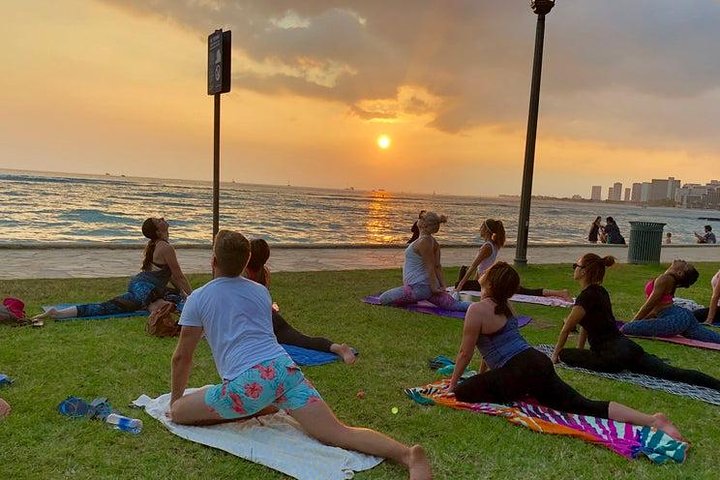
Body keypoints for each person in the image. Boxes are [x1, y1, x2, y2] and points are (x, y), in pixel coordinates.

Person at [169, 230, 432, 479]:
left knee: (180, 412)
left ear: (213, 260)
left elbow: (182, 356)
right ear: (246, 261)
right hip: (285, 370)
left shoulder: (199, 298)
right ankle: (407, 454)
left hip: (249, 384)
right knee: (338, 432)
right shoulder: (260, 291)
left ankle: (258, 405)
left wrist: (175, 400)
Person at [447, 262, 683, 441]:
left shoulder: (476, 310)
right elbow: (490, 352)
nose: (482, 272)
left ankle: (514, 391)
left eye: (486, 272)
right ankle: (652, 420)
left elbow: (464, 354)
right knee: (583, 404)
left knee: (462, 392)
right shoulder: (507, 305)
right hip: (537, 361)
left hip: (520, 369)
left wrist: (451, 386)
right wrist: (483, 376)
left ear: (490, 282)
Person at [551, 254, 720, 391]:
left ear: (584, 271)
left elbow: (566, 329)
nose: (574, 269)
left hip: (613, 355)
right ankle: (716, 384)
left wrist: (555, 355)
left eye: (576, 266)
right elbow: (585, 324)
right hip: (630, 348)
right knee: (673, 372)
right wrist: (581, 350)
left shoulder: (585, 296)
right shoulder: (601, 291)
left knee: (565, 354)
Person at [34, 217, 192, 320]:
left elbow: (170, 276)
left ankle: (58, 313)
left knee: (107, 307)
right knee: (174, 302)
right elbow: (178, 276)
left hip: (139, 285)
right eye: (159, 221)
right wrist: (193, 297)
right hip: (145, 289)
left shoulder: (155, 245)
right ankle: (152, 307)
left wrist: (184, 293)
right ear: (158, 231)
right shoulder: (165, 247)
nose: (162, 218)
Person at [244, 238, 356, 364]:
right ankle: (337, 347)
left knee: (301, 341)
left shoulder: (247, 277)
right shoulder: (263, 272)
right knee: (303, 340)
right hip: (272, 318)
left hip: (266, 322)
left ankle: (339, 349)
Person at [455, 219, 571, 302]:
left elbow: (474, 266)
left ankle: (561, 292)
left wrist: (462, 283)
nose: (479, 229)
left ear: (486, 230)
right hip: (488, 279)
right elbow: (481, 267)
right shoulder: (493, 244)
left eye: (481, 227)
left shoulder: (487, 247)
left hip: (490, 281)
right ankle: (560, 292)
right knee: (525, 291)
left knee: (526, 291)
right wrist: (475, 282)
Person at [380, 211, 470, 311]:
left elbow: (430, 266)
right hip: (425, 288)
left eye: (420, 218)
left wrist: (434, 288)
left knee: (384, 299)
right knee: (454, 305)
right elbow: (437, 266)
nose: (418, 219)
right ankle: (485, 308)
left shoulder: (424, 242)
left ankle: (412, 298)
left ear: (424, 224)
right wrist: (443, 286)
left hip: (419, 288)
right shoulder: (432, 241)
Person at [620, 260, 720, 343]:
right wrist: (643, 320)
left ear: (679, 273)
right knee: (711, 337)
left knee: (627, 329)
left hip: (676, 318)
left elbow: (650, 305)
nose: (682, 261)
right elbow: (656, 309)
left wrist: (634, 321)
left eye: (685, 265)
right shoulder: (670, 280)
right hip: (682, 315)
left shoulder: (664, 279)